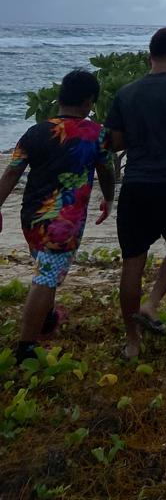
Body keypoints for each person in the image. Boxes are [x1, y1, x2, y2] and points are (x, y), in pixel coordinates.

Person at [0, 68, 115, 364]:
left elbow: (11, 173)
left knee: (45, 270)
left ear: (60, 97)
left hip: (31, 219)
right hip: (64, 222)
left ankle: (47, 319)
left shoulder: (35, 131)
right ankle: (26, 347)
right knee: (46, 277)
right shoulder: (96, 134)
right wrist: (109, 198)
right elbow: (106, 171)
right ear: (89, 101)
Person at [106, 26, 166, 359]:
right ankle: (151, 303)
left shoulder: (125, 93)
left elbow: (115, 143)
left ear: (149, 56)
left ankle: (132, 342)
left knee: (132, 262)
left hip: (136, 184)